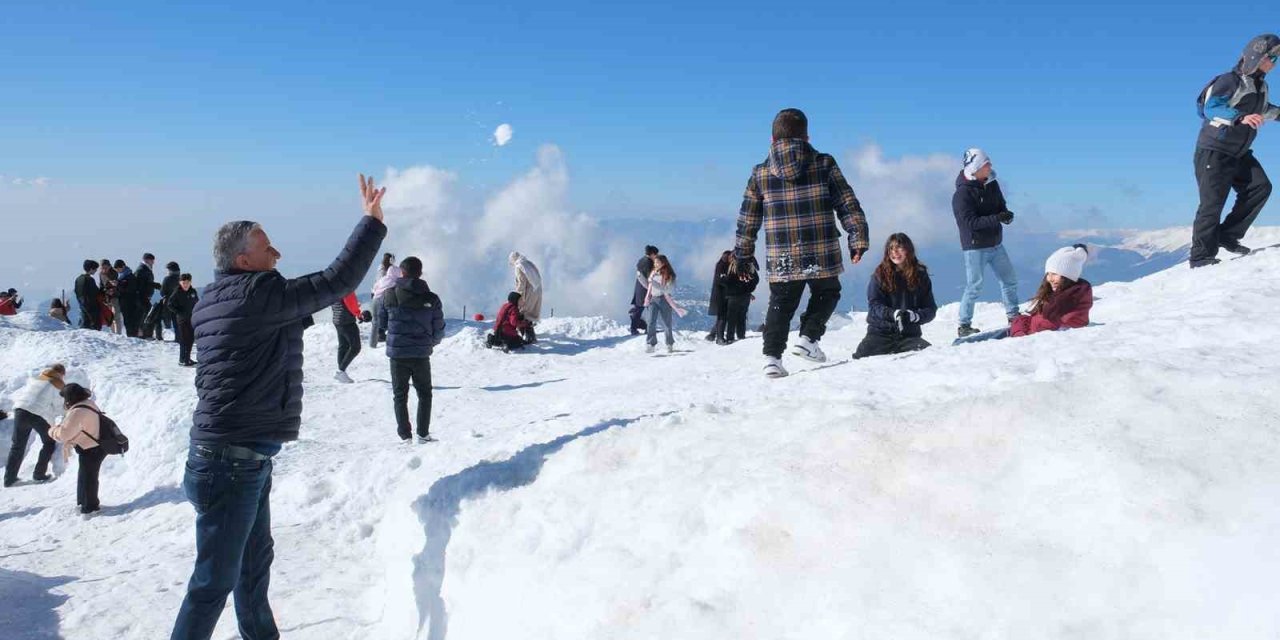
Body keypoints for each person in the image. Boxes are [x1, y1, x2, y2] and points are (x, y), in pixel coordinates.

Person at [169, 174, 387, 639]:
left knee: (251, 570)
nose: (278, 254)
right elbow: (336, 280)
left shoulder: (213, 300)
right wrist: (370, 222)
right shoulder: (257, 294)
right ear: (243, 260)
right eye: (267, 247)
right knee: (212, 585)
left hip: (232, 458)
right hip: (230, 463)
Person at [734, 108, 870, 378]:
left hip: (781, 252)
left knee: (781, 303)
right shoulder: (824, 163)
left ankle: (772, 359)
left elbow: (748, 219)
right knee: (827, 292)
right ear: (806, 137)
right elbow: (847, 202)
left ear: (772, 139)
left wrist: (743, 254)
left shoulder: (760, 173)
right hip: (821, 248)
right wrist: (857, 236)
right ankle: (808, 339)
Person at [1190, 34, 1280, 268]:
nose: (1274, 63)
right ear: (1255, 56)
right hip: (1214, 150)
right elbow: (1211, 107)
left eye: (1276, 58)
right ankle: (1200, 257)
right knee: (1212, 203)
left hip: (1239, 152)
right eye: (1271, 57)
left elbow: (1264, 109)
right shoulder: (1229, 81)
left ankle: (1227, 236)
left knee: (1260, 187)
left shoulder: (1261, 86)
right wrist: (1239, 117)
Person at [954, 245, 1093, 344]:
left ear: (1069, 276)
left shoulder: (1066, 300)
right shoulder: (1067, 295)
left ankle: (961, 343)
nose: (1050, 279)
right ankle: (961, 342)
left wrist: (1019, 328)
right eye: (1048, 274)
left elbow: (1043, 327)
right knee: (968, 341)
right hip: (1021, 328)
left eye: (1055, 274)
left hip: (1020, 332)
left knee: (969, 344)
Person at [954, 148, 1019, 338]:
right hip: (975, 247)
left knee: (1009, 280)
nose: (990, 166)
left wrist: (1005, 215)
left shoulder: (992, 183)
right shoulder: (962, 194)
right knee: (974, 286)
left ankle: (1014, 317)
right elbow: (970, 223)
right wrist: (997, 218)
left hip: (996, 243)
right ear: (975, 168)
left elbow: (1000, 205)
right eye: (986, 163)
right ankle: (964, 325)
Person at [383, 256, 445, 443]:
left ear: (402, 272)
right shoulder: (431, 298)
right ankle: (423, 434)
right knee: (424, 394)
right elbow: (439, 328)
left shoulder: (390, 294)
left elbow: (383, 322)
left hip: (397, 354)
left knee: (399, 395)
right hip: (421, 354)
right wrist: (430, 343)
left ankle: (405, 436)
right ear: (420, 273)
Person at [852, 233, 938, 359]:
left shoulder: (920, 276)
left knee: (929, 355)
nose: (895, 252)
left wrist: (914, 316)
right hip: (879, 334)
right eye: (891, 248)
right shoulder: (879, 275)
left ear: (908, 250)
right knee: (860, 359)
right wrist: (894, 314)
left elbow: (930, 309)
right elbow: (875, 305)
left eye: (899, 248)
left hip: (908, 336)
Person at [4, 364, 65, 487]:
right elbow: (59, 407)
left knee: (17, 446)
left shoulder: (38, 378)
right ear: (61, 373)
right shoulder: (56, 383)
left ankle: (9, 479)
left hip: (20, 411)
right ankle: (39, 474)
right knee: (49, 442)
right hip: (35, 414)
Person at [49, 383, 105, 514]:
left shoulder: (77, 411)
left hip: (91, 448)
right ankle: (84, 503)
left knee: (88, 479)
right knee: (86, 476)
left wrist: (52, 430)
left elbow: (64, 435)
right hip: (96, 445)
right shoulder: (88, 403)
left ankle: (90, 507)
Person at [644, 254, 685, 353]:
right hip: (653, 299)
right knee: (651, 322)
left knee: (667, 323)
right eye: (655, 262)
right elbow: (650, 287)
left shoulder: (669, 275)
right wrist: (647, 297)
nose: (655, 264)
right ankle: (651, 344)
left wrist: (653, 283)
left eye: (657, 262)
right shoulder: (653, 273)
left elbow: (666, 290)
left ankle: (669, 344)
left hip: (665, 300)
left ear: (663, 263)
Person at [720, 255, 759, 343]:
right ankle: (741, 336)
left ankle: (730, 337)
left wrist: (722, 279)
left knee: (732, 318)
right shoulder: (749, 266)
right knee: (742, 316)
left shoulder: (732, 268)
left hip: (733, 296)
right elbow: (756, 279)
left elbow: (727, 281)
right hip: (745, 296)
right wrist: (749, 289)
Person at [508, 251, 542, 343]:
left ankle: (529, 337)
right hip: (537, 291)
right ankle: (529, 336)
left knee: (523, 312)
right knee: (529, 314)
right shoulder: (528, 263)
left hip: (528, 292)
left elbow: (521, 283)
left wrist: (518, 296)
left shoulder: (519, 266)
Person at [166, 274, 199, 367]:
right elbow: (170, 304)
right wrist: (179, 311)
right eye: (183, 283)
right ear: (180, 283)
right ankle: (182, 359)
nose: (185, 285)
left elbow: (197, 302)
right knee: (184, 339)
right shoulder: (177, 292)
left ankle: (187, 358)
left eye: (187, 283)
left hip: (191, 318)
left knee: (191, 339)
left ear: (190, 282)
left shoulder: (193, 291)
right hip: (182, 319)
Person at [369, 252, 400, 348]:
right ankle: (391, 341)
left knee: (375, 322)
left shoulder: (381, 271)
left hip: (375, 297)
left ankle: (373, 343)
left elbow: (375, 286)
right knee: (391, 320)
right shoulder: (389, 274)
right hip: (385, 298)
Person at [331, 292, 363, 383]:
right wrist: (358, 314)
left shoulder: (334, 287)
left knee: (343, 346)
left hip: (338, 319)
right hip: (347, 320)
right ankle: (341, 371)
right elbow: (350, 303)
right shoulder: (347, 288)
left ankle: (341, 373)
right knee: (355, 347)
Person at [629, 245, 658, 335]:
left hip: (639, 287)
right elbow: (650, 277)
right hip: (645, 288)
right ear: (652, 254)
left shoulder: (642, 260)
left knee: (639, 308)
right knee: (651, 309)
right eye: (656, 254)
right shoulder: (648, 262)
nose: (656, 256)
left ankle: (634, 329)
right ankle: (649, 329)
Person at [706, 251, 732, 343]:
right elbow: (720, 280)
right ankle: (719, 338)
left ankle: (712, 334)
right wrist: (731, 281)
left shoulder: (722, 265)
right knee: (722, 317)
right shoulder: (722, 266)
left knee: (722, 316)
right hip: (720, 295)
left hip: (722, 295)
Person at [113, 259, 142, 337]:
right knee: (127, 320)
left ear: (123, 267)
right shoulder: (121, 276)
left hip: (130, 301)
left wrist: (118, 285)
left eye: (118, 268)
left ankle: (132, 335)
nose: (117, 271)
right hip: (124, 301)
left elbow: (130, 289)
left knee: (130, 320)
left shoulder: (130, 276)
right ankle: (130, 334)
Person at [136, 253, 162, 338]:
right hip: (142, 296)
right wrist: (155, 285)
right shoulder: (141, 270)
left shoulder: (146, 269)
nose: (153, 262)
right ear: (146, 260)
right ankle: (142, 334)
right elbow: (142, 284)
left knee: (147, 314)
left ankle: (145, 333)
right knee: (146, 314)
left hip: (145, 296)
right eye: (152, 260)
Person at [74, 259, 102, 330]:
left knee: (84, 323)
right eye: (95, 269)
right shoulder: (90, 279)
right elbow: (96, 292)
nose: (96, 271)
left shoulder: (78, 279)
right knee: (95, 324)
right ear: (91, 269)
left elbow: (76, 291)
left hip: (82, 304)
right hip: (91, 305)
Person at [159, 261, 182, 341]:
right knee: (178, 322)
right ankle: (179, 337)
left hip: (169, 303)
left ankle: (159, 336)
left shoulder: (167, 279)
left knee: (161, 320)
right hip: (180, 303)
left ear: (170, 270)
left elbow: (162, 292)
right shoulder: (181, 279)